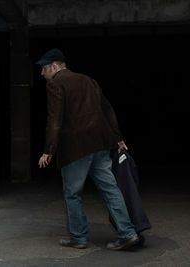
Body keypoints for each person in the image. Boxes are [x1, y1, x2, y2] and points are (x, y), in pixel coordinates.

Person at [36, 48, 139, 250]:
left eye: (44, 69)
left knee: (72, 193)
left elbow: (54, 119)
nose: (42, 74)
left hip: (76, 147)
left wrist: (48, 149)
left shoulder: (56, 83)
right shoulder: (89, 80)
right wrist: (117, 138)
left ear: (55, 66)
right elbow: (107, 109)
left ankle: (79, 238)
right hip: (100, 144)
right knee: (110, 189)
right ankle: (127, 233)